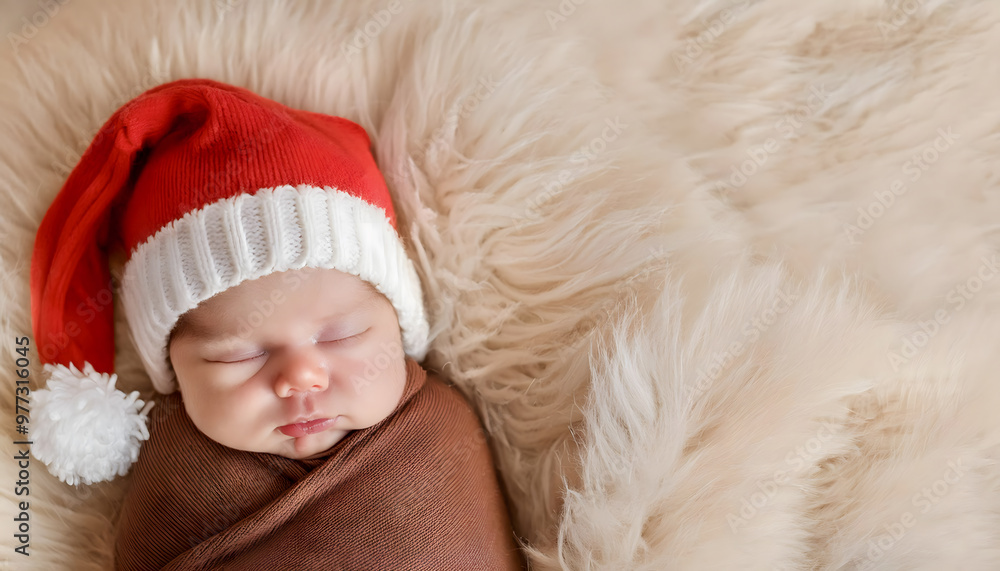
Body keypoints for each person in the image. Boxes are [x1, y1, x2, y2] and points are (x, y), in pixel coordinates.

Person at [30, 78, 525, 570]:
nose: (301, 377)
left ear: (399, 327)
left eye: (342, 335)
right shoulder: (175, 477)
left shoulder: (439, 431)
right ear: (174, 372)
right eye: (240, 355)